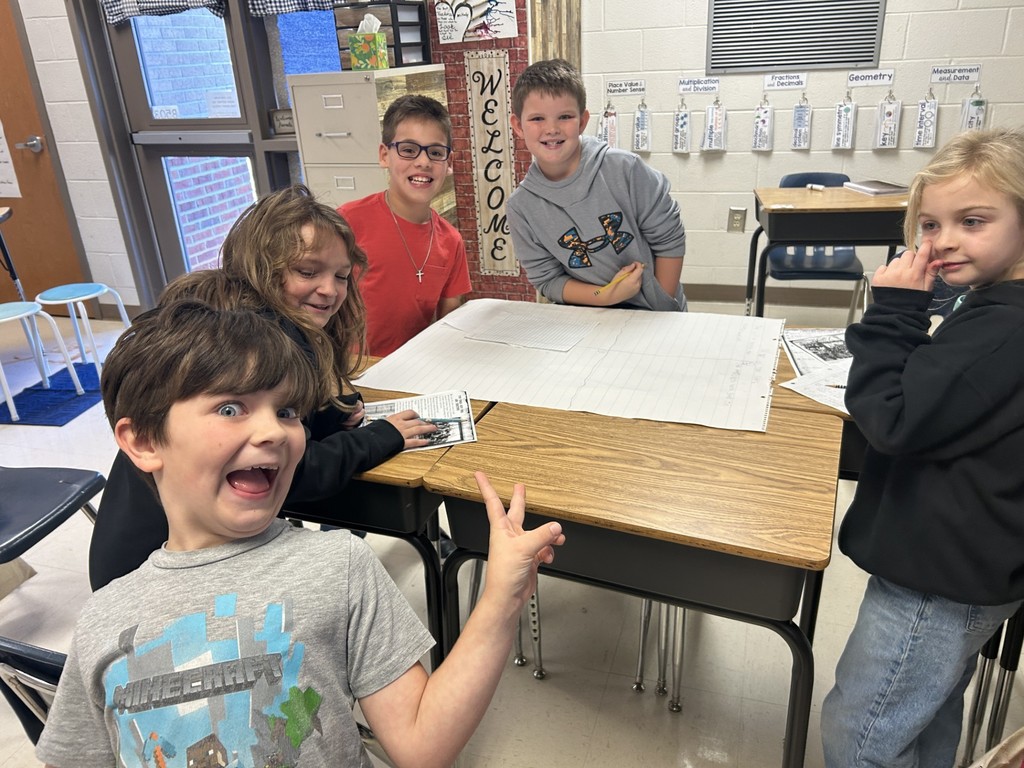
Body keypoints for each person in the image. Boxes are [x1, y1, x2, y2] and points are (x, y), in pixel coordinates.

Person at [36, 300, 565, 767]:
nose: (273, 431)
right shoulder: (104, 618)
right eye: (229, 408)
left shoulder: (340, 566)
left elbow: (422, 746)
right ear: (145, 440)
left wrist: (500, 598)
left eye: (286, 410)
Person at [88, 186, 439, 591]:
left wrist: (328, 412)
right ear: (262, 268)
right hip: (155, 576)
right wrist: (381, 437)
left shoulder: (267, 327)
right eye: (307, 272)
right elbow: (297, 475)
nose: (330, 290)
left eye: (341, 277)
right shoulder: (253, 344)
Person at [820, 127, 1024, 767]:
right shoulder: (994, 305)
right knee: (925, 720)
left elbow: (893, 419)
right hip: (976, 565)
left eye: (973, 220)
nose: (944, 241)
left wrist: (895, 312)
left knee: (861, 736)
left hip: (936, 582)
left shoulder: (1002, 325)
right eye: (930, 226)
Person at [507, 58, 686, 311]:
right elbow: (548, 280)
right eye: (537, 118)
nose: (551, 128)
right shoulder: (521, 207)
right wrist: (605, 296)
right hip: (587, 320)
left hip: (657, 313)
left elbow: (669, 238)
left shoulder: (625, 170)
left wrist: (662, 308)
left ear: (582, 121)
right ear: (518, 126)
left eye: (565, 116)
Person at [339, 94, 472, 356]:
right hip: (349, 371)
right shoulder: (346, 223)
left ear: (449, 164)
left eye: (435, 152)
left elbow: (450, 326)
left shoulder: (451, 240)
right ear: (384, 155)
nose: (423, 162)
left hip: (411, 373)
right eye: (409, 150)